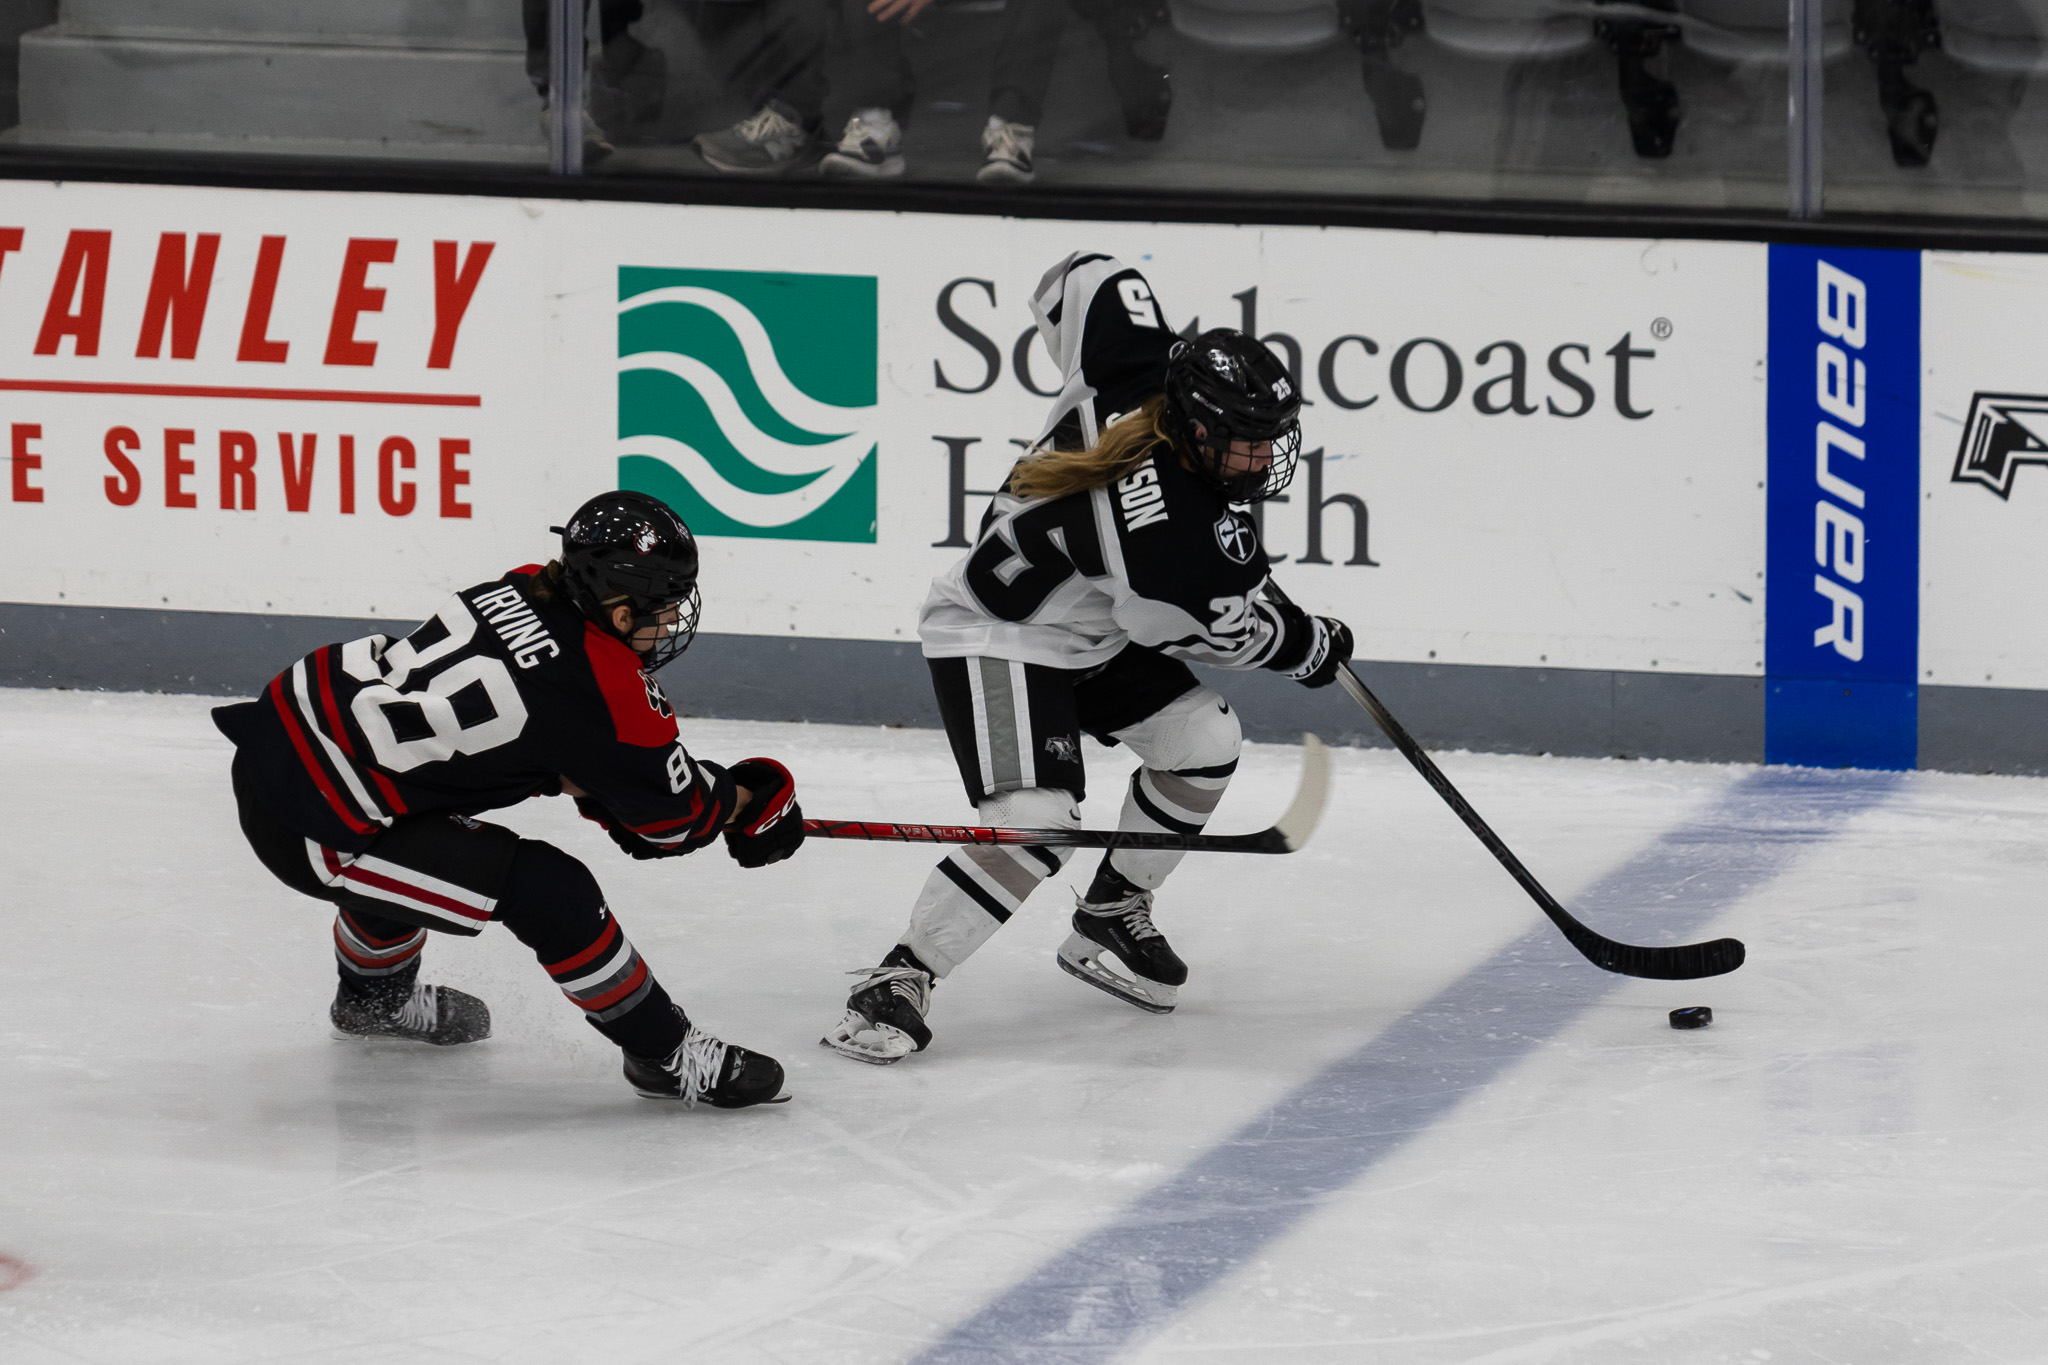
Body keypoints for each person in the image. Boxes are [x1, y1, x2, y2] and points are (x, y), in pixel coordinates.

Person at [821, 253, 1352, 1065]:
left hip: (1087, 632)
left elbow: (1082, 275)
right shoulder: (1167, 534)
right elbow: (1212, 631)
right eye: (1247, 444)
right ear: (1197, 430)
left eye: (1268, 438)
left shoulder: (1137, 363)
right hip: (996, 634)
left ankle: (1110, 910)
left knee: (1204, 741)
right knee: (1038, 823)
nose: (1262, 459)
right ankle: (902, 975)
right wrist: (1305, 644)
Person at [213, 492, 805, 1109]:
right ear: (622, 612)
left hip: (286, 739)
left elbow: (558, 737)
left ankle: (373, 1002)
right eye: (666, 605)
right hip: (315, 823)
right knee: (551, 890)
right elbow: (671, 823)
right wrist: (754, 799)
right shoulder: (605, 692)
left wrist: (598, 783)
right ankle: (666, 1055)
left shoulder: (524, 584)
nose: (674, 618)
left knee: (424, 840)